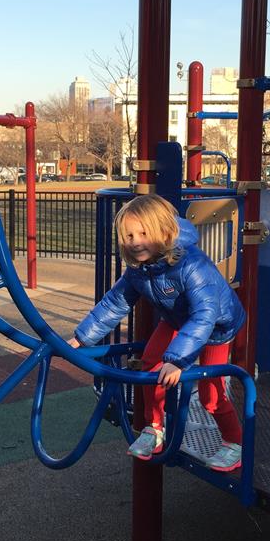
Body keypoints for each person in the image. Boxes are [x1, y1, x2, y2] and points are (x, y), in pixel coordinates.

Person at [68, 194, 247, 472]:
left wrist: (177, 360)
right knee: (151, 365)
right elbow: (114, 304)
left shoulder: (192, 265)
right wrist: (81, 338)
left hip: (215, 326)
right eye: (129, 235)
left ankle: (234, 442)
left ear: (165, 232)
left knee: (210, 392)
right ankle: (154, 428)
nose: (135, 241)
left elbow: (204, 314)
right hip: (177, 319)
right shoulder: (139, 269)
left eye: (143, 233)